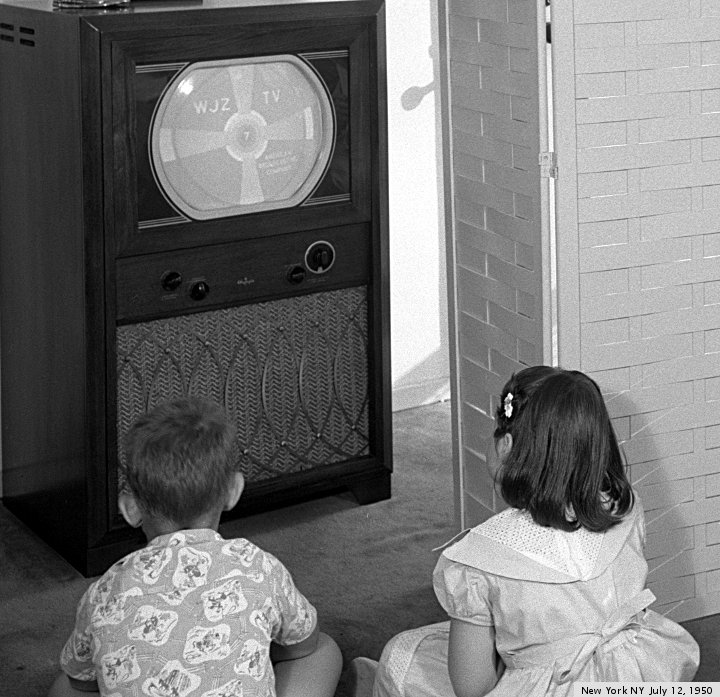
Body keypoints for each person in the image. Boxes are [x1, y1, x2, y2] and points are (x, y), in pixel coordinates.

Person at [349, 366, 700, 697]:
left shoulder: (478, 558)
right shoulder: (624, 506)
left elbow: (472, 687)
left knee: (403, 653)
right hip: (636, 676)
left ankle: (379, 681)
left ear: (505, 446)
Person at [48, 396, 342, 697]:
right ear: (233, 491)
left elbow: (81, 680)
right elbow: (303, 643)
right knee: (324, 650)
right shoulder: (259, 566)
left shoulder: (103, 591)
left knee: (63, 686)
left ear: (130, 508)